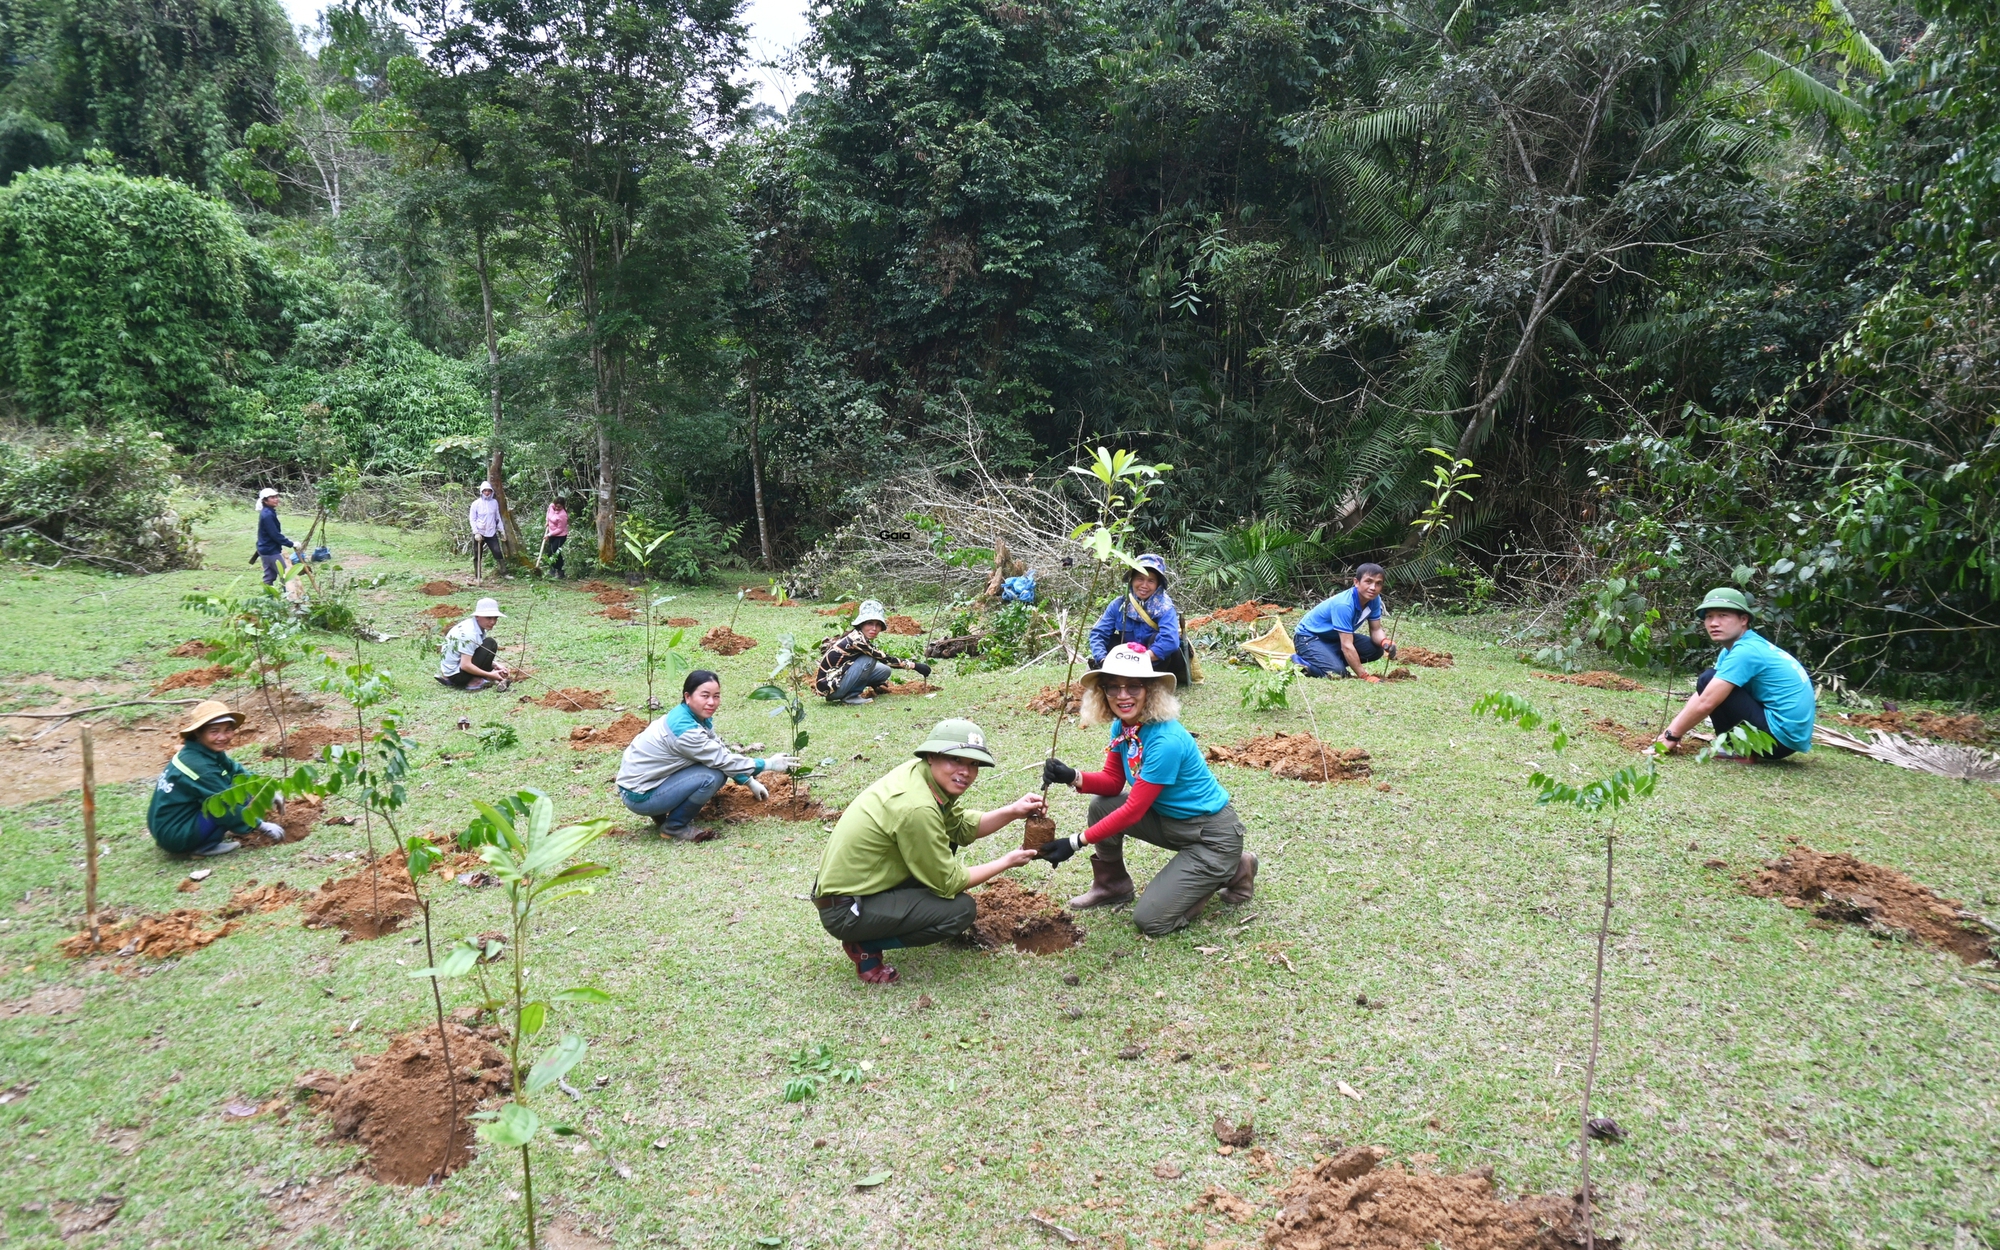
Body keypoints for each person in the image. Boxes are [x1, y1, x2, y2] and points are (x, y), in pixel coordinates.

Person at [1037, 643, 1257, 934]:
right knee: (1103, 805)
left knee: (1151, 920)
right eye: (1113, 687)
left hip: (1211, 837)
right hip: (1170, 822)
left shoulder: (1166, 741)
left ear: (1150, 690)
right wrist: (1072, 776)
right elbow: (1113, 783)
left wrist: (1075, 842)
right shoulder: (1125, 727)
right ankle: (1112, 885)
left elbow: (1133, 811)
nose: (1122, 695)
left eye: (1133, 687)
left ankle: (1233, 868)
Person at [812, 719, 1046, 983]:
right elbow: (949, 883)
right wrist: (1007, 861)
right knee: (960, 911)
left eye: (974, 764)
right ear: (932, 756)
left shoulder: (919, 775)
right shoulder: (917, 806)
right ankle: (865, 945)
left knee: (947, 843)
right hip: (847, 910)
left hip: (860, 889)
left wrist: (1012, 811)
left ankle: (885, 921)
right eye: (956, 760)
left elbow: (959, 827)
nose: (966, 772)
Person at [616, 670, 800, 841]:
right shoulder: (686, 731)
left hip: (644, 784)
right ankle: (674, 826)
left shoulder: (690, 716)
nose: (711, 702)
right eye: (705, 696)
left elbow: (718, 751)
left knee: (712, 766)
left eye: (716, 696)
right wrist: (769, 764)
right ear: (687, 697)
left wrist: (748, 781)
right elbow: (722, 761)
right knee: (713, 776)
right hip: (639, 796)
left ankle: (661, 814)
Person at [1653, 588, 1815, 760]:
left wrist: (1673, 736)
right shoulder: (1738, 648)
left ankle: (1742, 750)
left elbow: (1707, 701)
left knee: (1708, 679)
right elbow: (1705, 693)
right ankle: (1741, 747)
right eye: (1709, 616)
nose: (1714, 623)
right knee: (1709, 681)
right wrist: (1669, 733)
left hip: (1777, 741)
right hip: (1782, 738)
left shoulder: (1746, 652)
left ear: (1743, 619)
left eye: (1723, 615)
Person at [147, 701, 285, 857]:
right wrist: (261, 825)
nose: (222, 737)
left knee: (237, 789)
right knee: (229, 800)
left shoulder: (201, 751)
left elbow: (236, 772)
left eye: (228, 730)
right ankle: (202, 846)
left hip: (166, 825)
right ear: (199, 733)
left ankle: (205, 832)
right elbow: (224, 804)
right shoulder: (200, 766)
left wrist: (265, 789)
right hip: (175, 834)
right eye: (214, 731)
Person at [1087, 553, 1190, 686]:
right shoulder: (1118, 605)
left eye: (1151, 581)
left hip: (1154, 660)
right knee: (1110, 640)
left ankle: (1152, 681)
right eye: (1140, 579)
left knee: (1159, 640)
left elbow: (1170, 640)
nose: (1144, 585)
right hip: (1125, 659)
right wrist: (1103, 660)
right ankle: (1111, 673)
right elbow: (1098, 634)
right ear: (1131, 580)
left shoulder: (1165, 607)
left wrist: (1141, 659)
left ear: (1158, 584)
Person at [1293, 564, 1398, 680]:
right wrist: (1364, 676)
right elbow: (1347, 646)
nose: (1373, 587)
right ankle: (1301, 663)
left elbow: (1376, 629)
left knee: (1376, 650)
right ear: (1356, 582)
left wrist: (1385, 642)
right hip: (1308, 638)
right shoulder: (1344, 605)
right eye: (1368, 581)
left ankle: (1329, 660)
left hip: (1333, 638)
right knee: (1338, 673)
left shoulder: (1374, 599)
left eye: (1378, 583)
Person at [815, 600, 932, 705]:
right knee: (869, 659)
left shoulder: (859, 636)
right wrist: (914, 665)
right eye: (870, 623)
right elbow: (884, 658)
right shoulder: (857, 640)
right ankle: (851, 696)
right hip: (831, 689)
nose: (874, 628)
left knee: (884, 670)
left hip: (838, 679)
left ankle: (861, 687)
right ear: (861, 624)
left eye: (878, 624)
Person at [437, 597, 512, 691]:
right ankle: (473, 681)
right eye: (488, 618)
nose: (493, 622)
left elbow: (471, 653)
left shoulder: (473, 626)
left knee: (488, 645)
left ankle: (475, 678)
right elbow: (465, 665)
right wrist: (490, 674)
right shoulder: (470, 633)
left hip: (453, 670)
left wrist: (495, 665)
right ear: (477, 616)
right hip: (456, 674)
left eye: (495, 618)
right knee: (490, 644)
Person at [253, 487, 301, 586]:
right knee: (285, 574)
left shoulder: (269, 512)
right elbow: (274, 534)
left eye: (276, 497)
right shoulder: (267, 515)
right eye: (272, 498)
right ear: (265, 501)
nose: (276, 499)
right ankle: (287, 597)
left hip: (265, 549)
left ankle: (268, 597)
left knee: (269, 576)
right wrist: (291, 544)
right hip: (270, 550)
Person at [470, 481, 503, 577]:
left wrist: (502, 531)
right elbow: (472, 519)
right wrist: (476, 532)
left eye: (489, 491)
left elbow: (497, 517)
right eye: (485, 491)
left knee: (497, 551)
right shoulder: (476, 504)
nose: (487, 493)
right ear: (481, 492)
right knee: (477, 554)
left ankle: (503, 572)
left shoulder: (494, 503)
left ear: (491, 492)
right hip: (479, 532)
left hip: (491, 532)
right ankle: (478, 575)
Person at [542, 497, 570, 579]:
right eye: (556, 506)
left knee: (553, 552)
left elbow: (560, 529)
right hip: (552, 534)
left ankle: (559, 571)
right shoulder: (551, 506)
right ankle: (554, 569)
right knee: (556, 552)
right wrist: (547, 521)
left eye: (559, 507)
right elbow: (548, 513)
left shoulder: (563, 515)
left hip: (560, 536)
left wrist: (549, 535)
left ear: (563, 506)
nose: (557, 508)